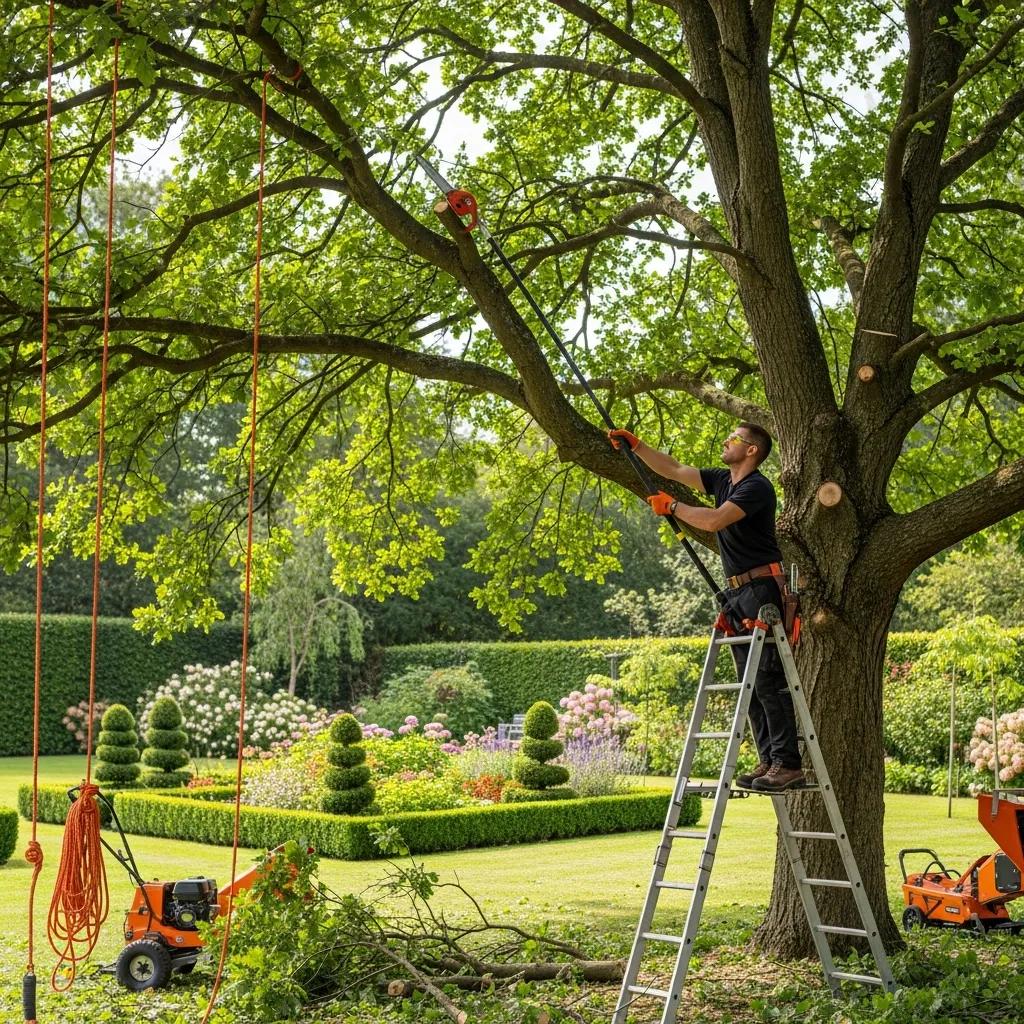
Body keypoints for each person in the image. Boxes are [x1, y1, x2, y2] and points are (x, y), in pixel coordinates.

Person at [607, 423, 803, 792]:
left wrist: (674, 506)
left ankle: (788, 764)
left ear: (751, 451)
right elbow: (675, 470)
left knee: (766, 679)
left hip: (762, 588)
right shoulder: (722, 480)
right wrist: (638, 446)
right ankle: (768, 760)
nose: (727, 440)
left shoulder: (756, 487)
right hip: (738, 591)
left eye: (735, 438)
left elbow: (714, 521)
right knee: (751, 685)